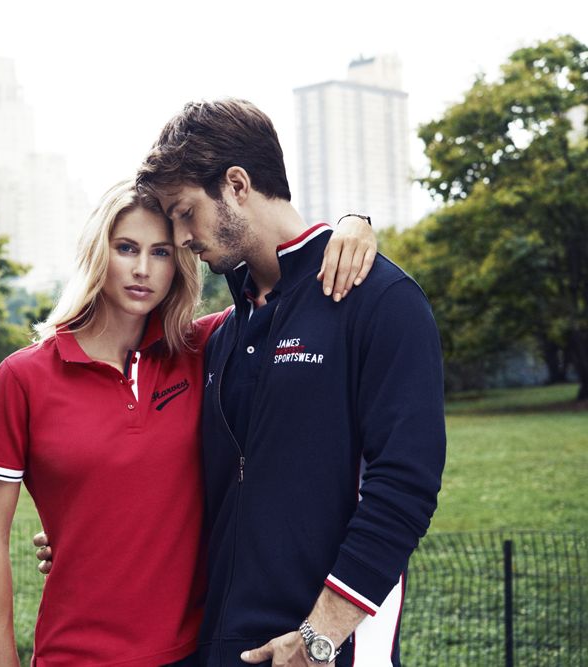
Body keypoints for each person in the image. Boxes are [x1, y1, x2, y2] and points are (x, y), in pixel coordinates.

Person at [0, 178, 377, 666]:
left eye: (161, 252)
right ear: (97, 253)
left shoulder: (202, 348)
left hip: (190, 651)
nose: (143, 269)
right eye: (126, 248)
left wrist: (353, 225)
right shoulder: (22, 378)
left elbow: (286, 291)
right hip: (74, 653)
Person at [134, 99, 446, 667]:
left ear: (236, 185)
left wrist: (319, 637)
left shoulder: (381, 300)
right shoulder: (224, 334)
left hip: (323, 650)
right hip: (219, 647)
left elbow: (406, 486)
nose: (180, 237)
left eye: (185, 213)